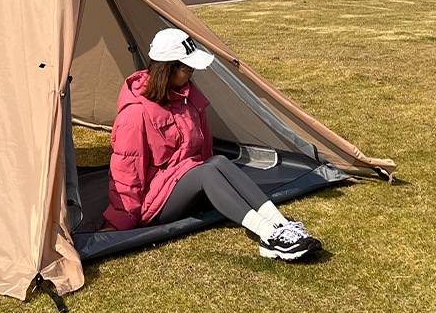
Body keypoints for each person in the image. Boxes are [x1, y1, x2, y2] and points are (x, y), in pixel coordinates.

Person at [102, 27, 322, 261]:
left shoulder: (187, 97)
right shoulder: (134, 115)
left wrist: (213, 192)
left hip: (183, 181)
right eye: (188, 69)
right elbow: (126, 171)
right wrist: (120, 223)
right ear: (168, 69)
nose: (192, 74)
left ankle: (280, 224)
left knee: (217, 161)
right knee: (205, 172)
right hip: (153, 204)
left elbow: (203, 150)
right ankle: (268, 236)